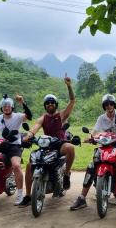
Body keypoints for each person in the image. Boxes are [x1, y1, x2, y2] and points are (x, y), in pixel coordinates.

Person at [70, 94, 116, 210]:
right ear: (104, 106)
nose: (109, 106)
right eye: (106, 104)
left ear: (114, 105)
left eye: (111, 104)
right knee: (91, 166)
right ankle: (82, 198)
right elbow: (95, 131)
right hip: (105, 146)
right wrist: (90, 137)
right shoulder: (101, 118)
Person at [21, 74, 75, 206]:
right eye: (48, 103)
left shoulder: (61, 115)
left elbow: (72, 101)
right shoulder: (43, 118)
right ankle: (28, 195)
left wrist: (69, 86)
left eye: (52, 103)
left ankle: (66, 174)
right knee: (29, 165)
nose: (50, 104)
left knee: (70, 148)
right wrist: (27, 137)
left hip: (59, 144)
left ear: (55, 105)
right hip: (45, 145)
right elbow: (34, 128)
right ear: (45, 106)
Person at [0, 94, 33, 206]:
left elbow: (29, 116)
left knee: (16, 165)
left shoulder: (18, 116)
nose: (6, 107)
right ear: (1, 108)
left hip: (14, 146)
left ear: (12, 107)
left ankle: (20, 194)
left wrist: (22, 102)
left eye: (8, 105)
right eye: (4, 106)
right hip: (1, 146)